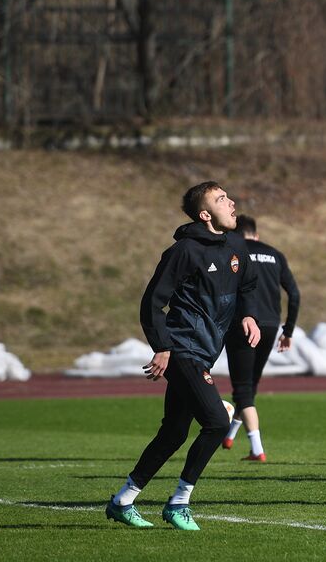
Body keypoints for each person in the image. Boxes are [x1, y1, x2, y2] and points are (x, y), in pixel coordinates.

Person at [105, 181, 260, 531]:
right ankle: (179, 503)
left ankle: (123, 500)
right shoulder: (184, 252)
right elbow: (152, 302)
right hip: (181, 351)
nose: (231, 202)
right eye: (221, 199)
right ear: (205, 214)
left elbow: (248, 285)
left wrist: (248, 314)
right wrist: (162, 346)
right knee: (218, 422)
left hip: (203, 354)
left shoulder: (234, 248)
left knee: (174, 433)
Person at [221, 214, 300, 462]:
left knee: (243, 388)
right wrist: (288, 331)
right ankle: (230, 435)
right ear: (256, 234)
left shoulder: (234, 251)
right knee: (250, 385)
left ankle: (257, 449)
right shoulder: (275, 254)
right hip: (270, 325)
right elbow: (295, 294)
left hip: (243, 323)